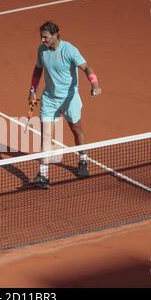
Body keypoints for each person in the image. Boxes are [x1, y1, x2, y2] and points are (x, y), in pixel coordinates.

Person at [28, 21, 102, 189]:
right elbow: (38, 69)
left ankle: (82, 159)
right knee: (46, 137)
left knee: (76, 130)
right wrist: (33, 89)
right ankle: (43, 174)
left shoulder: (69, 50)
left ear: (55, 35)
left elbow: (86, 68)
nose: (42, 40)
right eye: (41, 37)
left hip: (69, 98)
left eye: (45, 37)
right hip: (49, 99)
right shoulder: (42, 50)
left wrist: (95, 84)